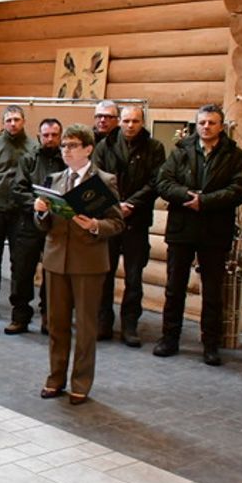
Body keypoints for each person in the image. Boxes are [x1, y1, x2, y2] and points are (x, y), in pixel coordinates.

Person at [154, 105, 242, 365]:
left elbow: (240, 188)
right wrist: (188, 197)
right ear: (196, 125)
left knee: (212, 292)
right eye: (202, 123)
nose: (206, 127)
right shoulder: (181, 151)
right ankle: (169, 338)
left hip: (215, 231)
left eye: (211, 122)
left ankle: (211, 344)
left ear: (221, 126)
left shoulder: (235, 155)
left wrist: (205, 201)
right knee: (175, 288)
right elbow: (163, 182)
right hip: (182, 228)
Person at [34, 124, 124, 405]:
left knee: (85, 327)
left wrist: (97, 224)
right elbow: (43, 225)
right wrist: (40, 214)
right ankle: (55, 378)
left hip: (88, 262)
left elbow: (117, 222)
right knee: (56, 324)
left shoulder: (105, 180)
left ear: (88, 148)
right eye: (63, 146)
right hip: (56, 259)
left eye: (72, 145)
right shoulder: (54, 178)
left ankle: (81, 383)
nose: (66, 150)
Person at [91, 105, 166, 346]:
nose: (130, 125)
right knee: (105, 273)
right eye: (126, 121)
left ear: (142, 122)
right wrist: (115, 206)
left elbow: (156, 182)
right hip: (109, 219)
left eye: (135, 121)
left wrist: (131, 204)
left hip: (138, 219)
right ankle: (103, 322)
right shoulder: (104, 146)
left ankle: (130, 325)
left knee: (134, 276)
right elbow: (96, 179)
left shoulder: (155, 148)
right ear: (119, 122)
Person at [0, 105, 38, 318]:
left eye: (17, 119)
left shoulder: (33, 147)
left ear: (24, 121)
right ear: (3, 123)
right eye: (9, 120)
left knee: (18, 261)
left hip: (22, 211)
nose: (13, 123)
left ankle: (18, 306)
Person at [9, 118, 67, 334]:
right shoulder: (28, 159)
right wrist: (33, 203)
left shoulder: (67, 161)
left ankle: (48, 317)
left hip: (57, 226)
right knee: (23, 271)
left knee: (52, 274)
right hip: (29, 222)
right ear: (39, 136)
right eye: (46, 135)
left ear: (60, 136)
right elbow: (17, 189)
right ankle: (20, 316)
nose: (50, 139)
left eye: (54, 135)